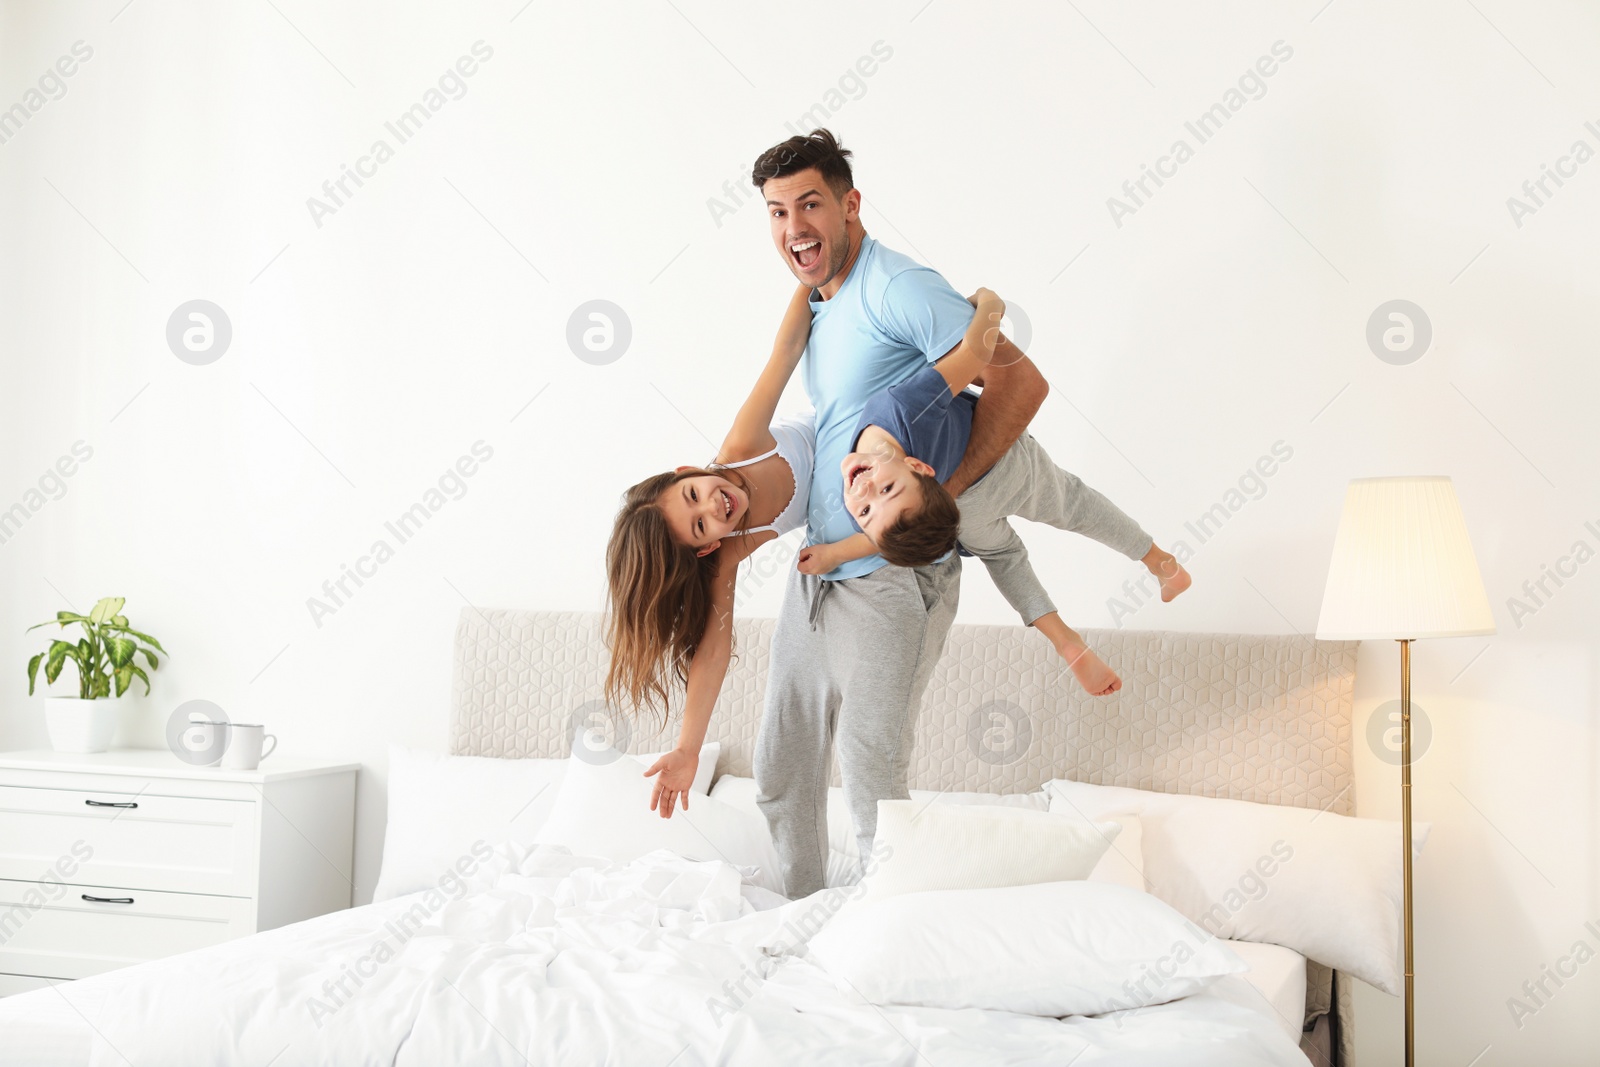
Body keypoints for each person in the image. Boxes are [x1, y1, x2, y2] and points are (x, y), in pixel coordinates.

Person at [747, 129, 1051, 899]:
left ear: (851, 205)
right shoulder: (822, 302)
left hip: (888, 577)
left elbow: (1021, 384)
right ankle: (806, 922)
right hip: (821, 569)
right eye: (778, 212)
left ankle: (893, 934)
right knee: (781, 769)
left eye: (810, 204)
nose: (794, 228)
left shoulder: (898, 286)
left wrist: (940, 486)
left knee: (870, 770)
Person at [795, 286, 1191, 696]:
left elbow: (882, 536)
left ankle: (1063, 639)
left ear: (918, 467)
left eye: (881, 493)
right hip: (1009, 471)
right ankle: (1159, 561)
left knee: (1005, 560)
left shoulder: (875, 475)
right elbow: (973, 354)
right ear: (918, 468)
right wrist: (988, 303)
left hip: (964, 515)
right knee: (1077, 507)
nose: (865, 491)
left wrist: (836, 552)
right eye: (869, 508)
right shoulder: (904, 411)